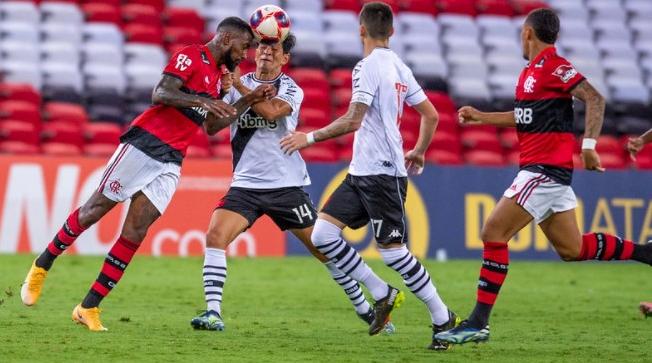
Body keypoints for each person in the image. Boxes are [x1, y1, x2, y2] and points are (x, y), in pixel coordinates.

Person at [20, 17, 274, 331]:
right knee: (92, 211)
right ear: (225, 39)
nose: (245, 54)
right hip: (145, 143)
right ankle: (42, 265)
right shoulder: (192, 56)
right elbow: (161, 93)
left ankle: (88, 307)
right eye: (244, 46)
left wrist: (247, 99)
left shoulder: (217, 76)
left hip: (172, 160)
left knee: (136, 232)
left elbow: (210, 127)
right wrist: (202, 99)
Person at [435, 8, 652, 345]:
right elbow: (524, 117)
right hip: (543, 171)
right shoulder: (531, 74)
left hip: (544, 170)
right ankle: (644, 253)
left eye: (522, 33)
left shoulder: (554, 66)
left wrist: (590, 145)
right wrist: (481, 117)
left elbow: (594, 98)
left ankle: (478, 322)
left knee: (493, 232)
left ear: (528, 33)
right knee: (572, 248)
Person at [280, 2, 458, 350]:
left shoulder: (366, 67)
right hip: (362, 170)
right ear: (391, 31)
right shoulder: (400, 66)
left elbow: (353, 119)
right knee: (322, 234)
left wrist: (309, 137)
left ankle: (442, 317)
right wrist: (420, 150)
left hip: (382, 173)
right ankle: (382, 292)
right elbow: (431, 115)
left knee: (393, 253)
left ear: (360, 30)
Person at [189, 33, 394, 334]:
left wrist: (243, 88)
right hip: (245, 185)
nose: (266, 52)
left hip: (286, 186)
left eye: (274, 49)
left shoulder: (290, 89)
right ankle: (213, 312)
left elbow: (271, 112)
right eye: (262, 46)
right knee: (215, 236)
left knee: (324, 250)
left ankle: (365, 308)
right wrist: (225, 93)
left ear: (285, 59)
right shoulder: (235, 86)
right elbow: (210, 127)